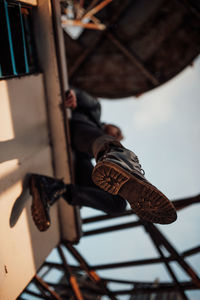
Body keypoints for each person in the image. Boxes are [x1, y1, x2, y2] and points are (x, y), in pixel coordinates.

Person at [30, 89, 177, 231]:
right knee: (105, 142)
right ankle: (120, 161)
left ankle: (53, 187)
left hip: (83, 158)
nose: (117, 135)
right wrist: (73, 95)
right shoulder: (95, 112)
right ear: (110, 124)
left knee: (118, 205)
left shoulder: (91, 154)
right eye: (117, 132)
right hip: (78, 130)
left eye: (118, 136)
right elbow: (83, 96)